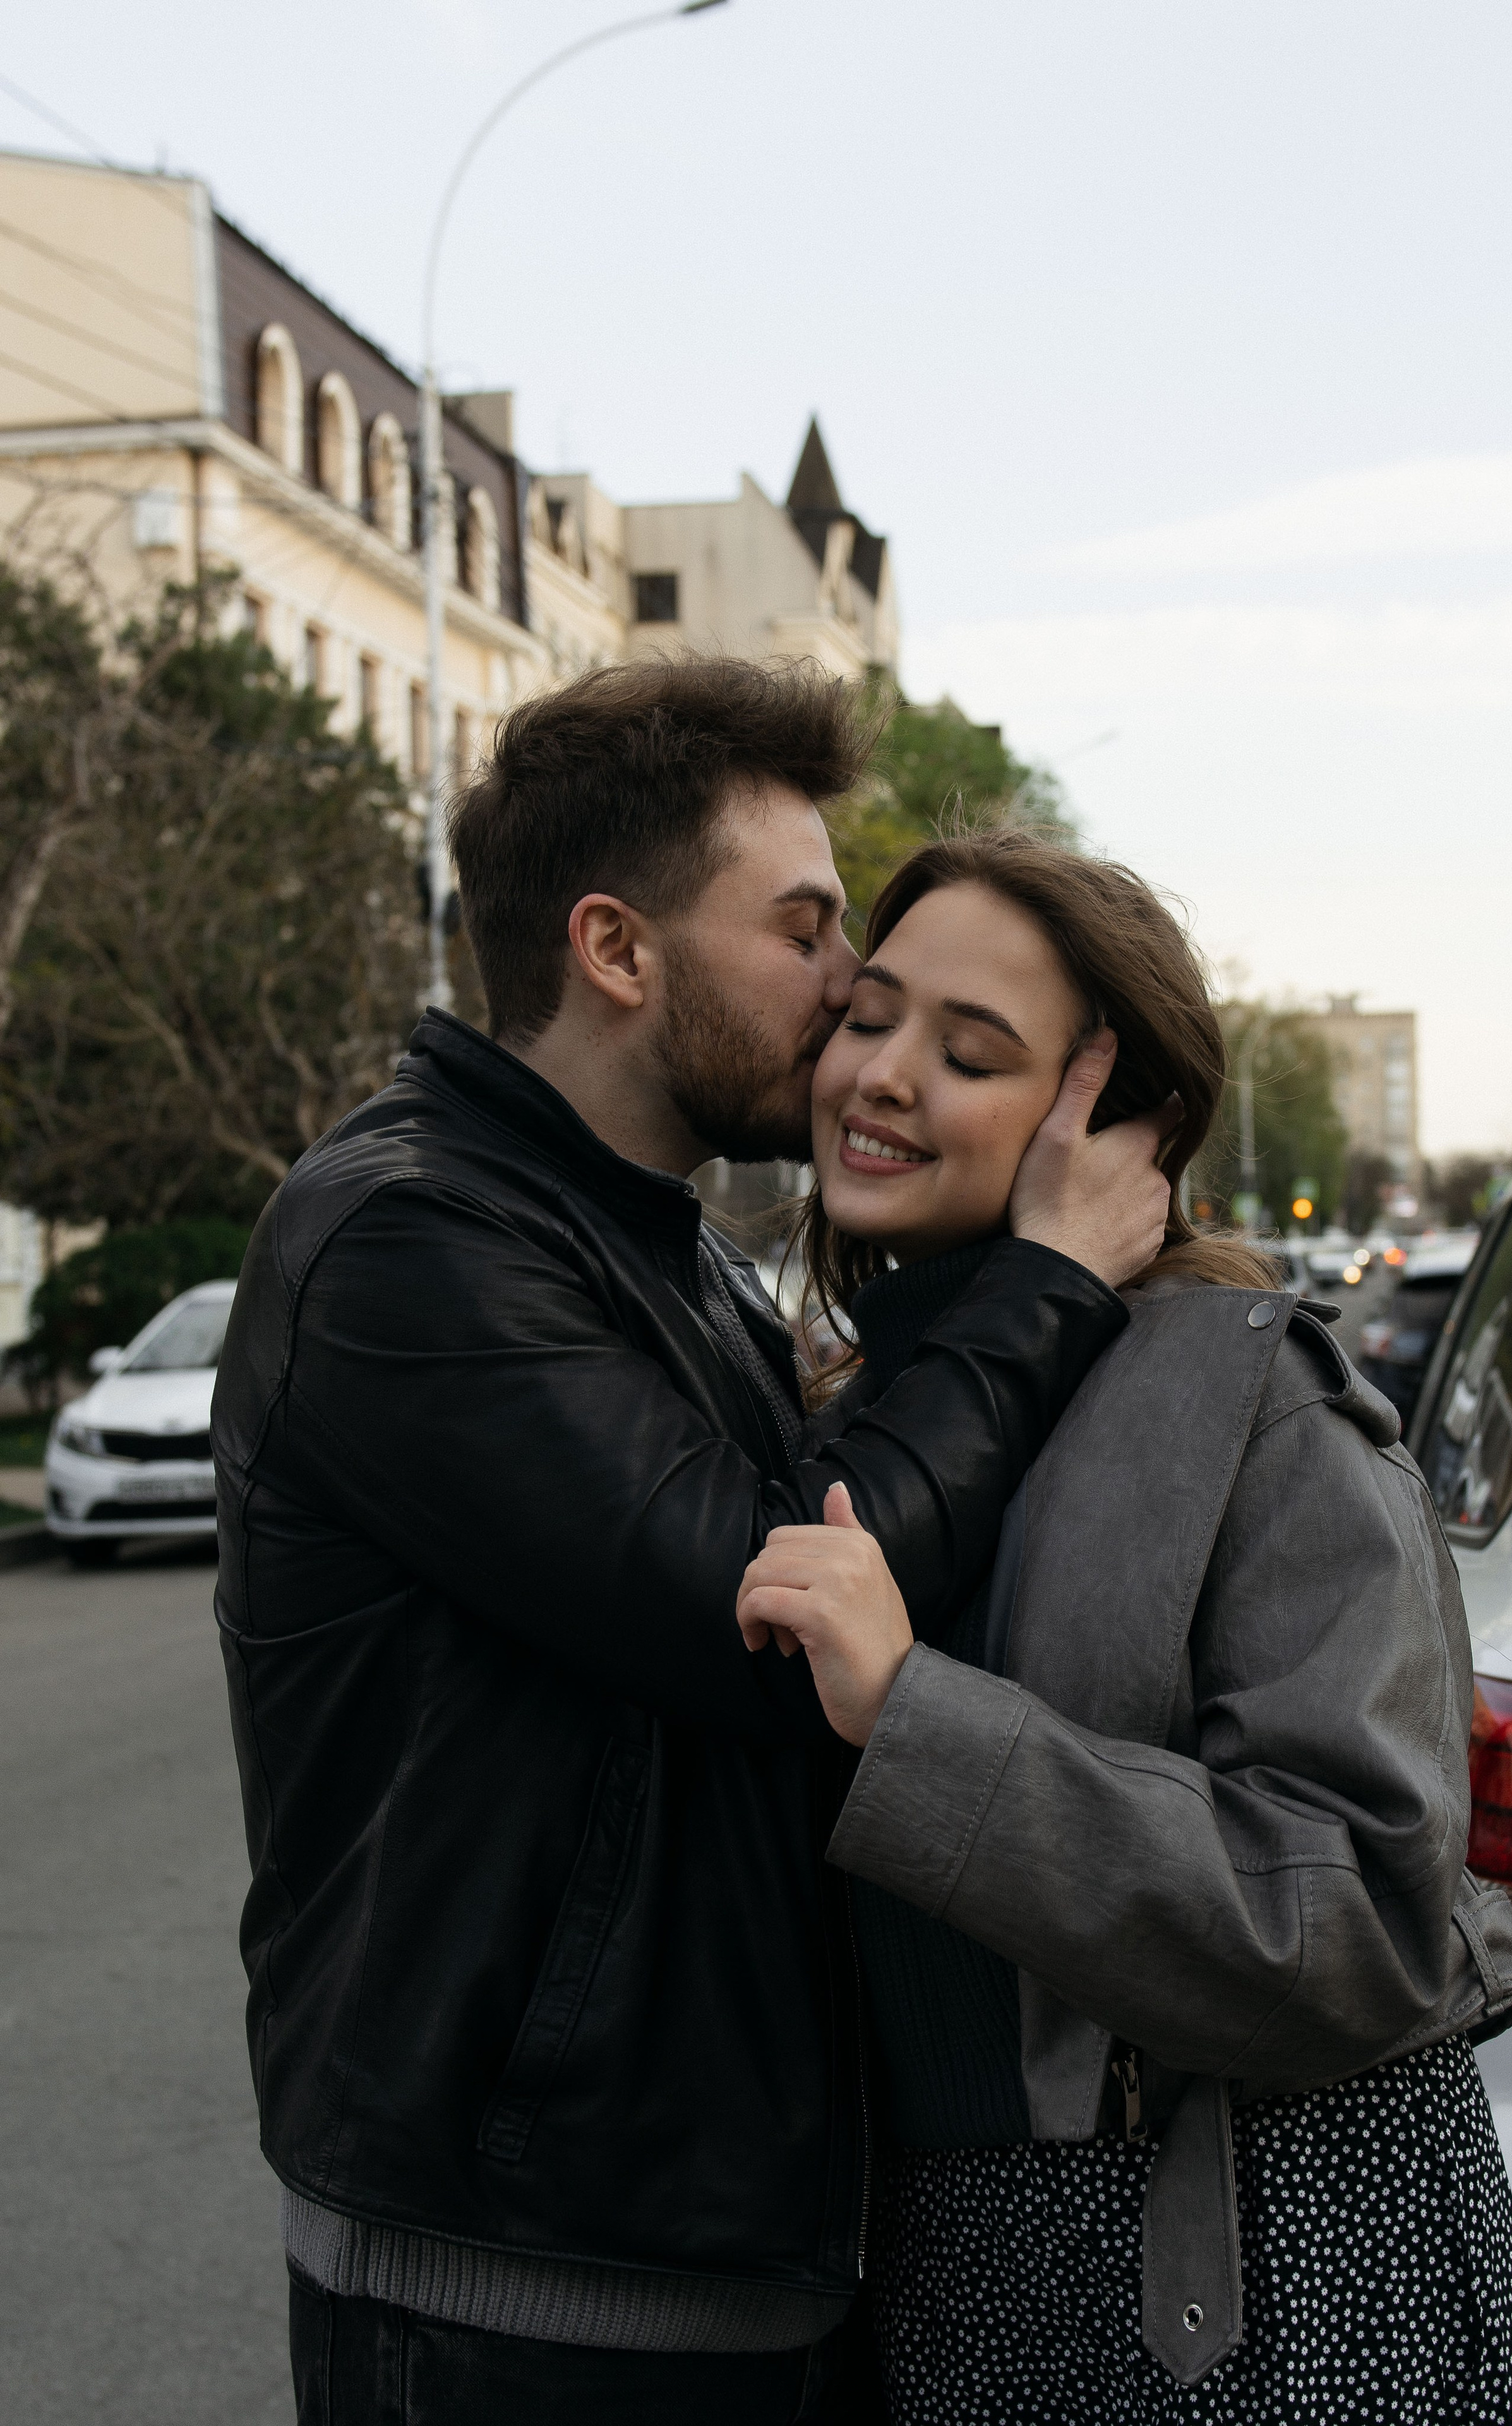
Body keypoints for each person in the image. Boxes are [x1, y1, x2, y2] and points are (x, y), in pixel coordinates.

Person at [212, 660, 1176, 2426]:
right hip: (518, 2304)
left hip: (719, 2271)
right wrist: (1046, 1289)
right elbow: (779, 1609)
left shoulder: (676, 1261)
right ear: (618, 950)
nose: (848, 990)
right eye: (808, 933)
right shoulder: (406, 1240)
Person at [738, 824, 1512, 2426]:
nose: (884, 1077)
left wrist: (916, 1720)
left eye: (970, 1053)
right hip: (955, 2284)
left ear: (1114, 1117)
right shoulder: (849, 1409)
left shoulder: (1250, 1396)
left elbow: (1366, 1925)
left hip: (1264, 2278)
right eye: (869, 1016)